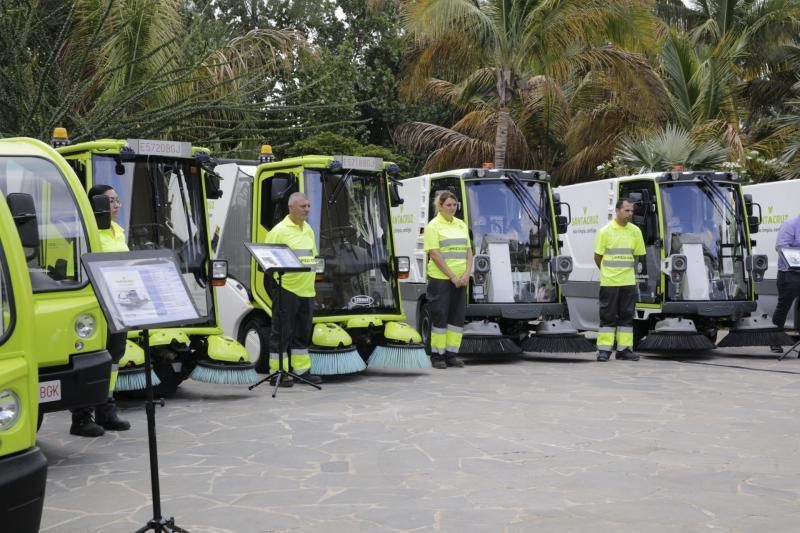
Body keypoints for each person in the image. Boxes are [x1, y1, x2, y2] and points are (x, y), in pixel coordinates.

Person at [70, 184, 132, 437]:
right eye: (110, 201)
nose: (116, 205)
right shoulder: (87, 232)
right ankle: (81, 417)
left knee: (114, 358)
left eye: (117, 200)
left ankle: (107, 411)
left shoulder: (118, 230)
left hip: (117, 304)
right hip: (94, 307)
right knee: (91, 360)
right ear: (96, 205)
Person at [264, 192, 322, 386]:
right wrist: (277, 289)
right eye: (303, 206)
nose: (307, 209)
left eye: (308, 206)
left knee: (302, 333)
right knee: (282, 333)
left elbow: (312, 258)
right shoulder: (279, 231)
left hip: (307, 290)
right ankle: (277, 373)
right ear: (291, 207)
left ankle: (302, 371)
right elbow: (267, 261)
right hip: (287, 289)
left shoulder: (308, 229)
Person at [423, 191, 472, 369]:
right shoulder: (433, 226)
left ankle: (451, 354)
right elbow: (435, 254)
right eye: (449, 205)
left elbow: (468, 251)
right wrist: (452, 276)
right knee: (440, 318)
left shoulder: (461, 225)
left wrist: (467, 274)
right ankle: (437, 356)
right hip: (441, 279)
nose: (452, 208)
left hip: (461, 280)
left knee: (456, 319)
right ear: (440, 206)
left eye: (455, 205)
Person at [593, 198, 646, 362]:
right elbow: (597, 257)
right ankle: (604, 351)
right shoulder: (605, 231)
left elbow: (638, 256)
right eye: (626, 210)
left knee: (627, 317)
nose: (630, 214)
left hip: (628, 282)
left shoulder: (635, 231)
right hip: (609, 282)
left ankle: (624, 350)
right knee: (607, 317)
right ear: (617, 210)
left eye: (631, 211)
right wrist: (608, 272)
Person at [770, 214, 800, 353]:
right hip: (789, 274)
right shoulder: (790, 225)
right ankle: (774, 341)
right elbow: (781, 247)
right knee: (784, 307)